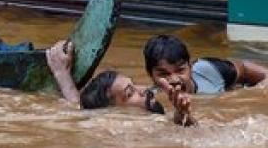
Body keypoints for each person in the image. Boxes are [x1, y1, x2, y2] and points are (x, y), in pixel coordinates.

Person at [45, 40, 191, 125]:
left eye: (134, 86)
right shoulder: (128, 130)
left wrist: (62, 75)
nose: (144, 89)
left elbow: (78, 108)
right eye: (130, 93)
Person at [143, 34, 268, 96]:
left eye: (180, 70)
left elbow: (244, 68)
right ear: (150, 75)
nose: (174, 79)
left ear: (191, 66)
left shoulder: (210, 70)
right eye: (163, 74)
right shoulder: (149, 100)